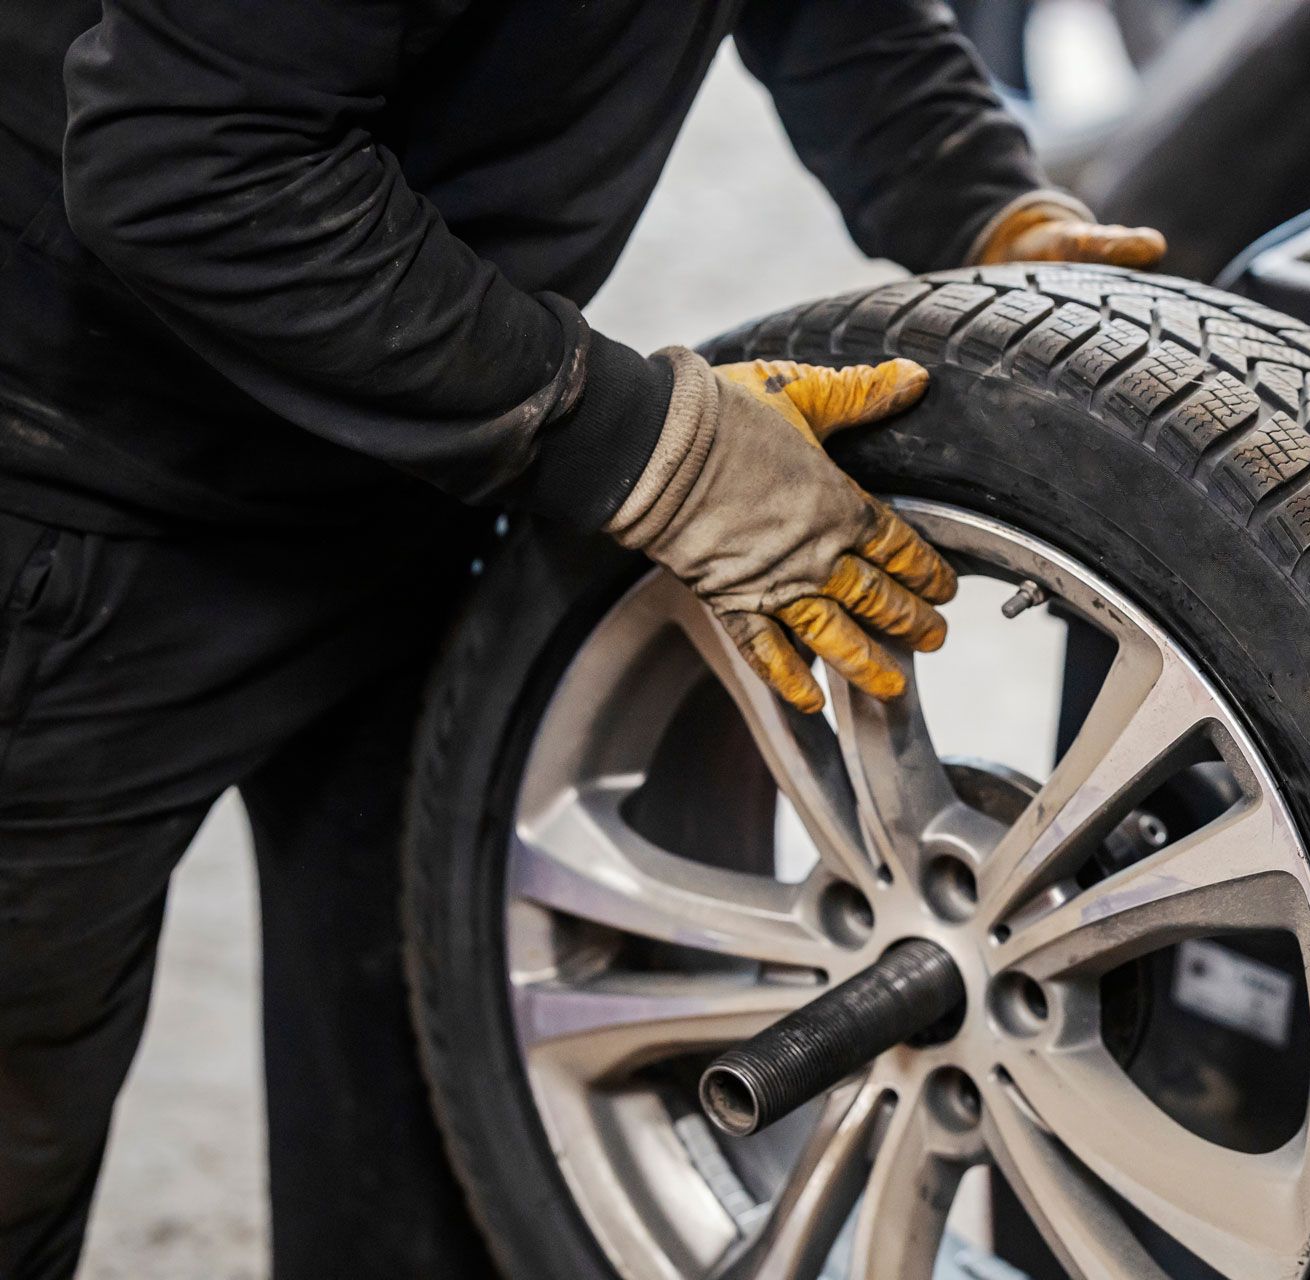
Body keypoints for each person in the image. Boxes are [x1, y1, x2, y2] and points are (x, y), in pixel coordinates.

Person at [0, 1, 1164, 1274]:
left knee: (439, 1123)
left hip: (418, 450)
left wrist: (983, 208)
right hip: (73, 494)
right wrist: (642, 445)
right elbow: (190, 160)